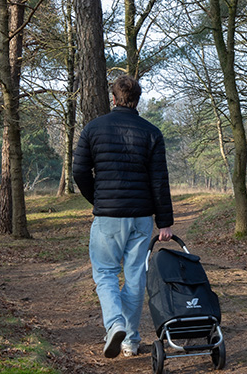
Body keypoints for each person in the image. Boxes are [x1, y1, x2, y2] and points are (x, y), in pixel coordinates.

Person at [73, 75, 173, 359]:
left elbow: (79, 171)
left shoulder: (93, 128)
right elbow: (159, 181)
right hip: (141, 217)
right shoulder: (152, 132)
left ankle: (115, 323)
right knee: (135, 277)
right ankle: (130, 340)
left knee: (105, 272)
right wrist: (164, 221)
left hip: (108, 216)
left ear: (114, 99)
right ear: (137, 100)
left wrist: (98, 198)